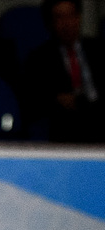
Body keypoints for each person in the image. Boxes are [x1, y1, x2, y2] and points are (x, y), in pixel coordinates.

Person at [22, 0, 105, 142]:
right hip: (65, 125)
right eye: (59, 17)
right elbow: (35, 100)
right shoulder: (39, 58)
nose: (67, 23)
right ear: (50, 23)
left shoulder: (99, 50)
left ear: (79, 18)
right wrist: (58, 99)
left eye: (71, 16)